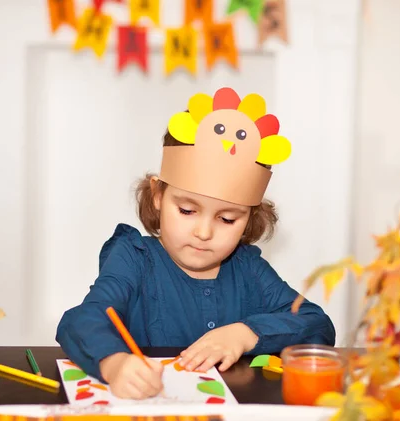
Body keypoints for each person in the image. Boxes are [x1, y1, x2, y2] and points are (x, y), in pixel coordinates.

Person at [56, 87, 336, 400]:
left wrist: (246, 334)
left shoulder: (249, 269)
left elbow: (317, 324)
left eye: (227, 219)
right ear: (159, 195)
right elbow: (81, 320)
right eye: (187, 210)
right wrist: (114, 363)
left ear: (249, 217)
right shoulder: (133, 257)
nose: (204, 232)